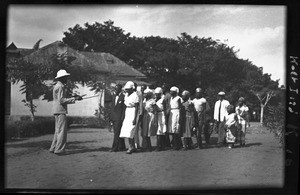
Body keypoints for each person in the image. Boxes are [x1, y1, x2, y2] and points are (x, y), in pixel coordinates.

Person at [49, 69, 82, 155]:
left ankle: (53, 148)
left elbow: (61, 98)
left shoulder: (57, 85)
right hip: (60, 111)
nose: (67, 79)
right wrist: (74, 99)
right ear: (62, 78)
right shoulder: (61, 86)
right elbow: (62, 100)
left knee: (57, 130)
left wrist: (74, 97)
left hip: (56, 110)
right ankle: (59, 150)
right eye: (65, 77)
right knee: (62, 131)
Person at [119, 81, 139, 154]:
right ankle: (132, 146)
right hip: (127, 111)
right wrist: (123, 115)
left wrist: (134, 118)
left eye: (128, 89)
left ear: (131, 89)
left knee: (131, 130)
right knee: (127, 130)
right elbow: (125, 106)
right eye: (126, 89)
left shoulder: (135, 95)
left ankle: (131, 147)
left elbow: (137, 107)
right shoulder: (126, 95)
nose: (126, 90)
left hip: (133, 111)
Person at [109, 83, 126, 152]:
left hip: (119, 118)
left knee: (116, 133)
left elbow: (124, 109)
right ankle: (122, 147)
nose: (115, 90)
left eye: (117, 89)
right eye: (115, 89)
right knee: (118, 132)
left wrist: (122, 118)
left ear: (120, 90)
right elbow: (112, 108)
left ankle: (114, 148)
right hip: (114, 117)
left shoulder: (123, 97)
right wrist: (110, 118)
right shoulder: (113, 96)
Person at [141, 88, 158, 152]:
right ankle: (146, 146)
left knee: (148, 131)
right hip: (145, 116)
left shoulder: (152, 101)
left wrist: (155, 119)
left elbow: (155, 111)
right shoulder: (144, 101)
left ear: (149, 94)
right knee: (145, 131)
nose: (144, 95)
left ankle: (149, 146)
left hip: (150, 116)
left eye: (145, 94)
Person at [134, 83, 147, 149]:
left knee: (143, 129)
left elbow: (141, 104)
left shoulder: (139, 94)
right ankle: (136, 144)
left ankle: (144, 143)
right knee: (135, 129)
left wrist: (141, 113)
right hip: (133, 113)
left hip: (140, 113)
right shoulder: (133, 94)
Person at [155, 87, 167, 151]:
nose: (156, 95)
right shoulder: (155, 100)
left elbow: (165, 109)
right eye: (156, 94)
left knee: (161, 130)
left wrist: (165, 118)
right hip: (157, 115)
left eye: (158, 94)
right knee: (158, 130)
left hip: (162, 115)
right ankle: (160, 145)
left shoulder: (163, 100)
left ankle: (160, 146)